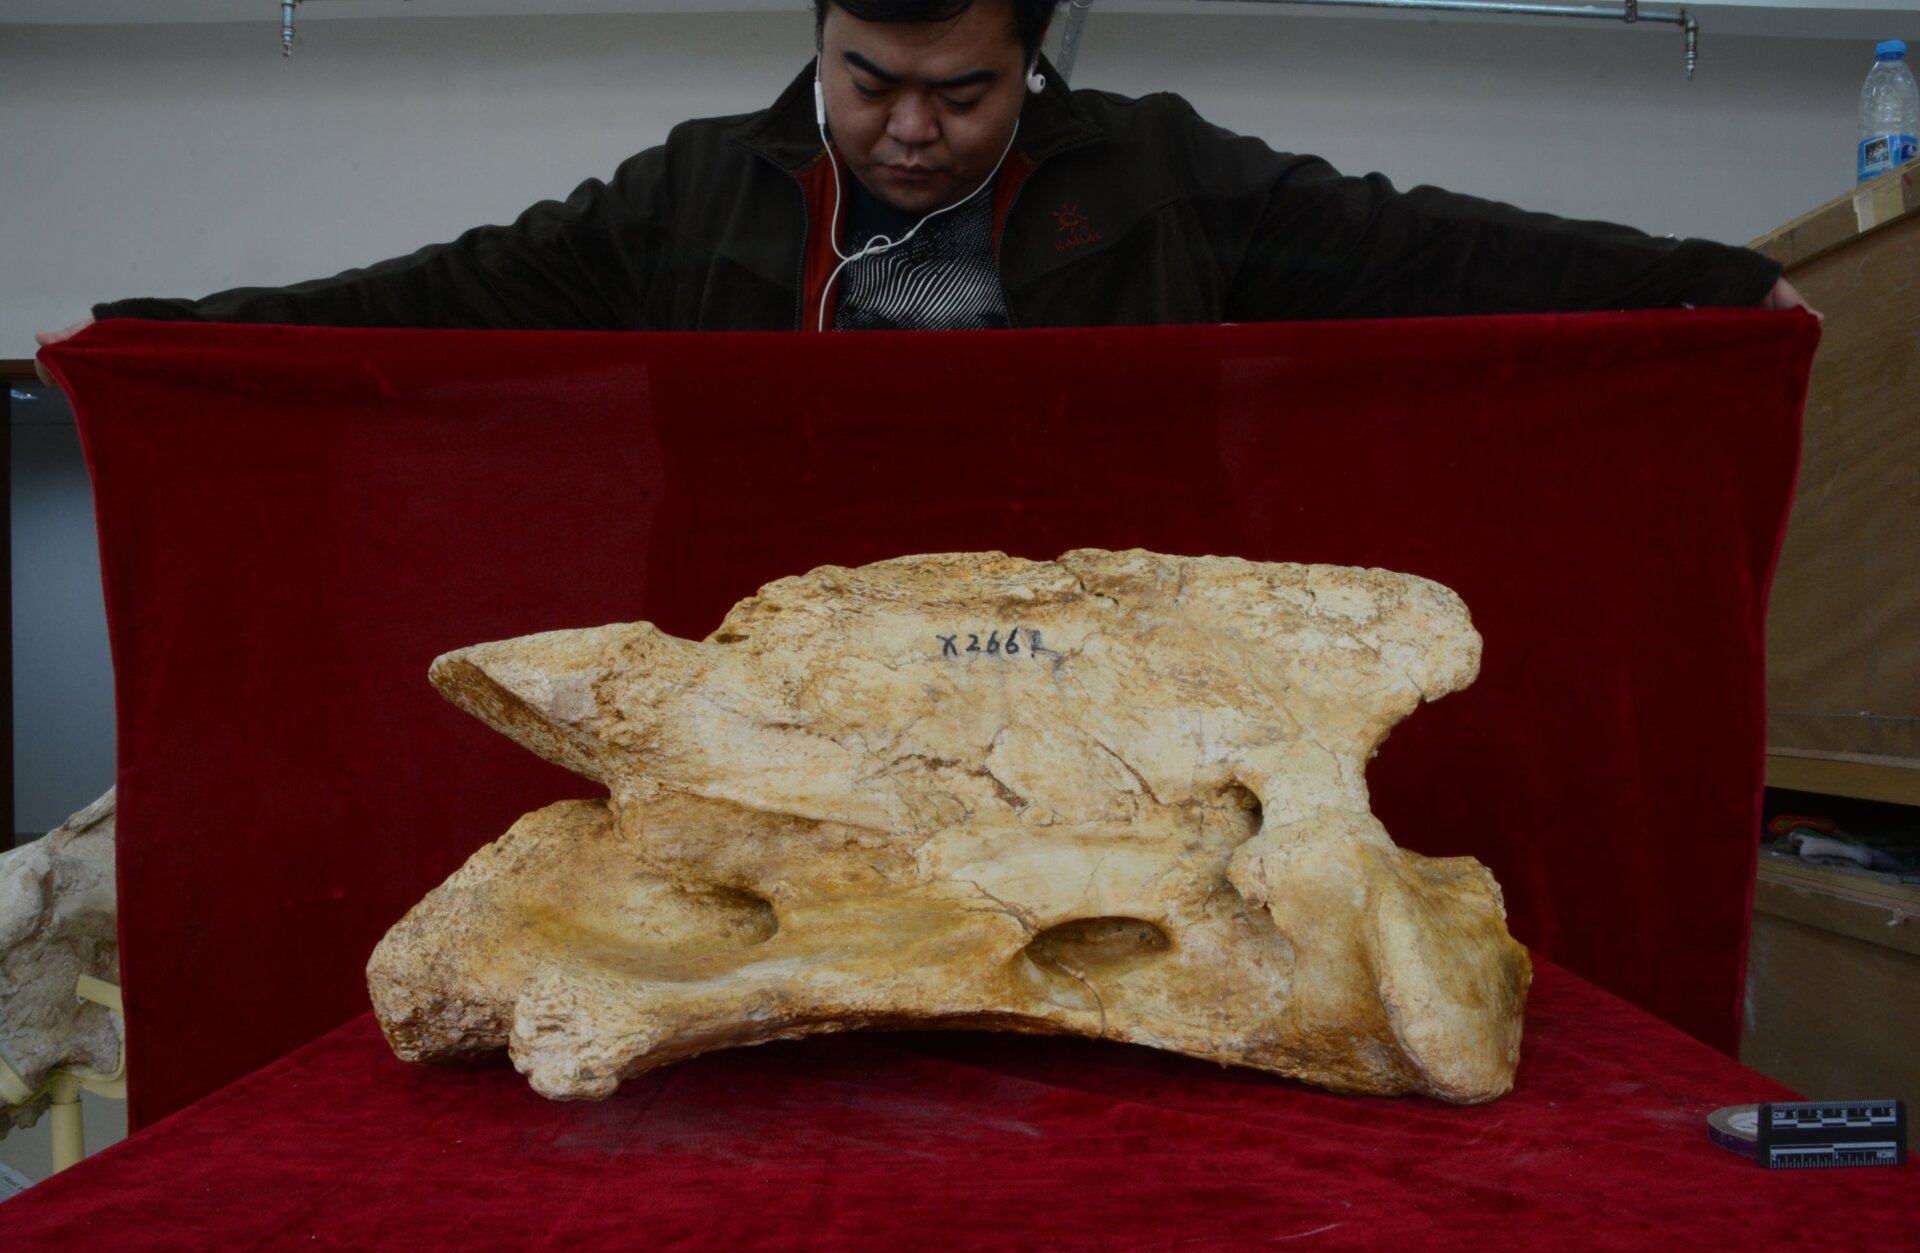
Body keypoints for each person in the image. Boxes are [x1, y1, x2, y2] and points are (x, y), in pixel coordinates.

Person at [35, 0, 1808, 379]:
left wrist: (1713, 284)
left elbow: (1425, 245)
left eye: (962, 94)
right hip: (780, 657)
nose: (904, 130)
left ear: (1033, 61)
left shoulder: (1162, 174)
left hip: (1088, 652)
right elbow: (449, 293)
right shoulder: (697, 192)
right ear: (814, 42)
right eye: (866, 81)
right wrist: (178, 340)